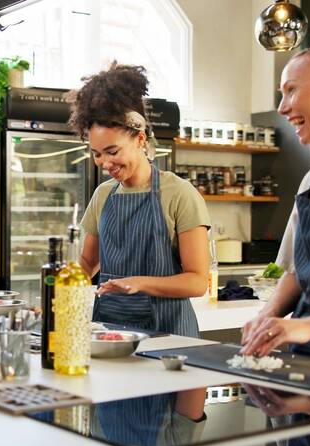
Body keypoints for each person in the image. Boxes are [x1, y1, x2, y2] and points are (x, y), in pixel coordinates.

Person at [68, 63, 211, 337]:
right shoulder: (103, 195)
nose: (104, 163)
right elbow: (87, 263)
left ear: (140, 139)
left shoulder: (179, 193)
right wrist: (58, 292)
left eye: (112, 151)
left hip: (169, 334)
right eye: (97, 154)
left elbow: (197, 281)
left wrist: (140, 284)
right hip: (110, 332)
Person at [241, 40, 310, 359]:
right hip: (309, 359)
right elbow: (298, 272)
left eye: (291, 90)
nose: (282, 108)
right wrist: (266, 317)